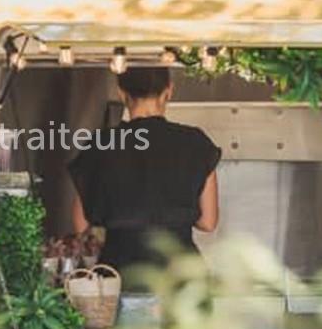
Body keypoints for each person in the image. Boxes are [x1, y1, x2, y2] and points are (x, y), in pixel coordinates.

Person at [68, 67, 220, 290]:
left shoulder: (101, 144)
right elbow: (208, 222)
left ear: (121, 92)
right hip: (182, 278)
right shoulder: (196, 143)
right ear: (169, 91)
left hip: (119, 276)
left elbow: (80, 224)